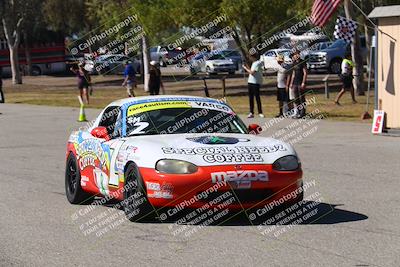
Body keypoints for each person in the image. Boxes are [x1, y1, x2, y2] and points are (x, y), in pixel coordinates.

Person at [242, 53, 264, 118]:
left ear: (253, 57)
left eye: (250, 57)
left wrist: (245, 68)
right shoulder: (254, 63)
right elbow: (251, 70)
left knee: (257, 97)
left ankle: (260, 112)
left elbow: (252, 73)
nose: (250, 58)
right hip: (250, 82)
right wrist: (246, 65)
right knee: (251, 98)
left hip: (256, 82)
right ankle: (251, 112)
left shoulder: (258, 63)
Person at [289, 50, 308, 118]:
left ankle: (303, 112)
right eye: (294, 54)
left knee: (302, 97)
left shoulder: (302, 62)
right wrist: (291, 83)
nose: (296, 56)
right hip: (295, 83)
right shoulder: (294, 63)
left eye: (297, 54)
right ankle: (298, 112)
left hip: (300, 82)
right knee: (296, 98)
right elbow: (293, 74)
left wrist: (303, 82)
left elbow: (305, 73)